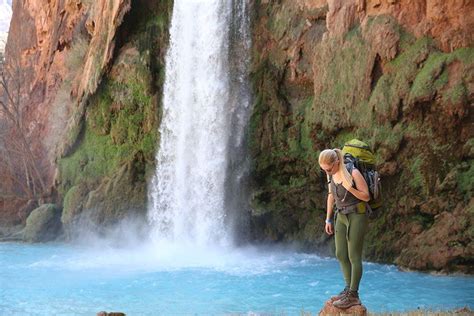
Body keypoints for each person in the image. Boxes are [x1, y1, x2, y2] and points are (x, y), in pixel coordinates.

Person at [319, 148, 370, 309]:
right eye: (324, 170)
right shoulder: (331, 174)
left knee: (354, 256)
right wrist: (328, 219)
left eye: (328, 169)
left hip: (357, 215)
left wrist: (350, 188)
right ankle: (348, 289)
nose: (326, 172)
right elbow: (331, 195)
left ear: (337, 162)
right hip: (340, 215)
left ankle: (353, 295)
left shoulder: (352, 172)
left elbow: (366, 196)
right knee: (340, 253)